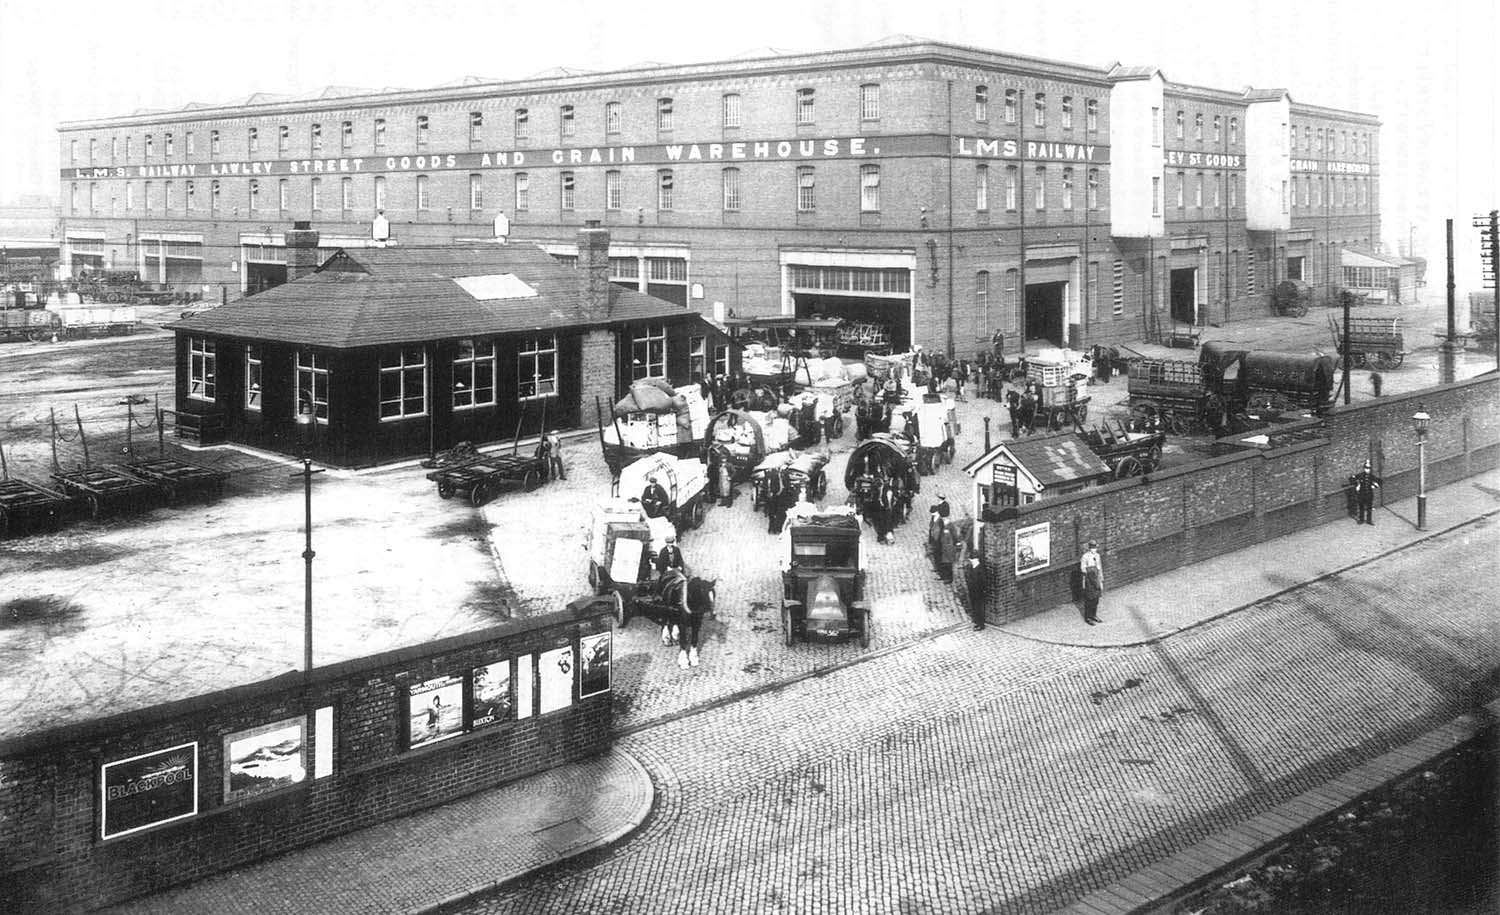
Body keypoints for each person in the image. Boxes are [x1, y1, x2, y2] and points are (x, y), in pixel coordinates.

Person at [1350, 460, 1382, 525]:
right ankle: (1361, 520)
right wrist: (1357, 485)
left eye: (1369, 468)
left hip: (1369, 494)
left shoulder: (1371, 476)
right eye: (1366, 468)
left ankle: (1369, 520)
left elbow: (1380, 481)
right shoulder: (1360, 475)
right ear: (1364, 468)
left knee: (1369, 508)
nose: (1368, 470)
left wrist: (1374, 486)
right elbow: (1351, 478)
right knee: (1361, 508)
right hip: (1362, 495)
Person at [1080, 540, 1104, 625]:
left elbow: (1100, 567)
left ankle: (1094, 615)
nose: (1094, 549)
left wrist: (1101, 579)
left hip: (1096, 579)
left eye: (1095, 547)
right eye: (1092, 547)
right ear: (1090, 548)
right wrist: (1091, 570)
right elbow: (1083, 568)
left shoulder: (1097, 556)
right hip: (1089, 580)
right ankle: (1088, 617)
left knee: (1096, 599)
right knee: (1089, 599)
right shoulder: (1085, 557)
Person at [964, 556, 987, 630]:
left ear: (976, 560)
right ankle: (976, 622)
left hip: (978, 593)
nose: (971, 561)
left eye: (972, 559)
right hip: (973, 592)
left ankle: (981, 624)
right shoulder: (972, 567)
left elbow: (983, 582)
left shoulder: (980, 569)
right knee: (974, 607)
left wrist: (982, 591)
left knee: (979, 608)